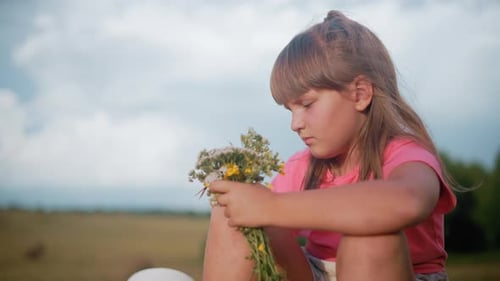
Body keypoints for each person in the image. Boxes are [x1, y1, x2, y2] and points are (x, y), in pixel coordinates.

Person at [204, 10, 457, 281]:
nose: (295, 124)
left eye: (307, 104)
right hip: (315, 272)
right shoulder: (302, 166)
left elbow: (408, 202)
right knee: (231, 216)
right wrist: (246, 203)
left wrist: (272, 206)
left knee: (370, 236)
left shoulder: (407, 155)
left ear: (360, 94)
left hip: (391, 272)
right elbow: (260, 220)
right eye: (290, 110)